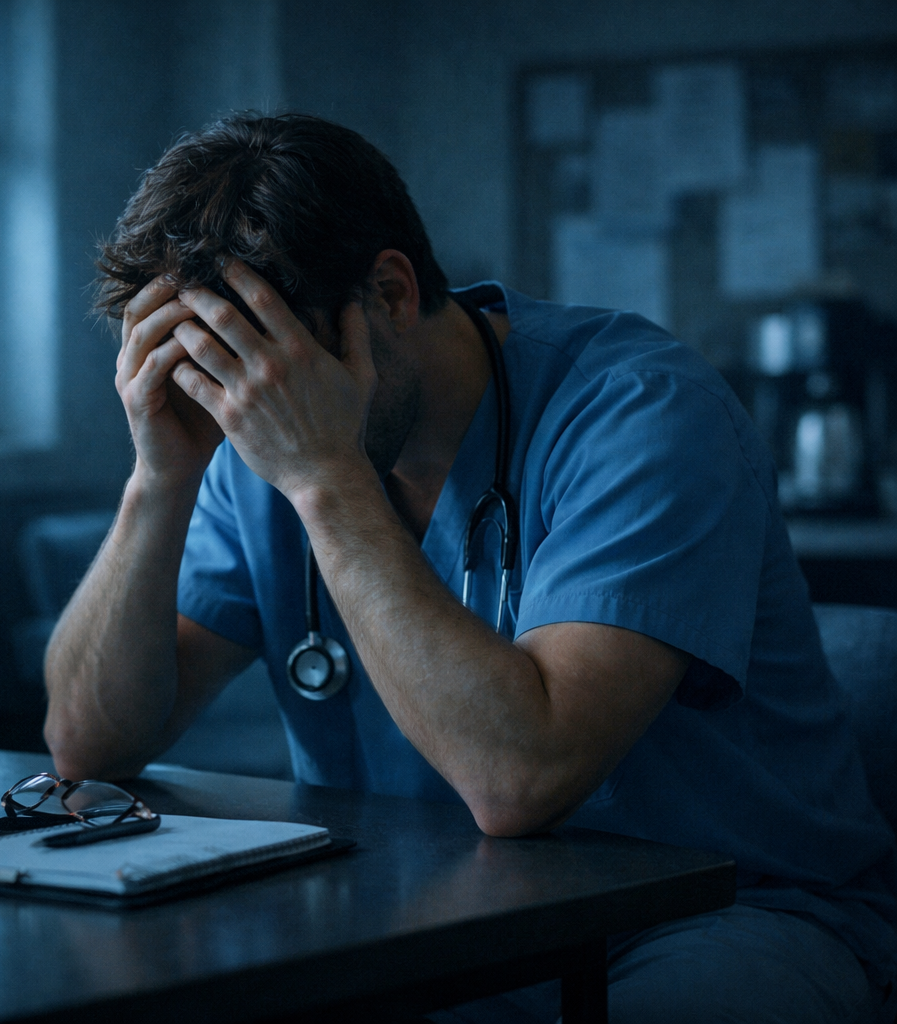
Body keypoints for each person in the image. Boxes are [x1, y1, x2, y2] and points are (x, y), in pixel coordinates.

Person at [44, 113, 895, 1023]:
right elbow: (90, 746)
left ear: (391, 292)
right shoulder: (251, 440)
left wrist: (326, 480)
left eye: (271, 361)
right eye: (213, 365)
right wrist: (159, 479)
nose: (244, 400)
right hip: (434, 912)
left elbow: (519, 780)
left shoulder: (643, 412)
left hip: (723, 915)